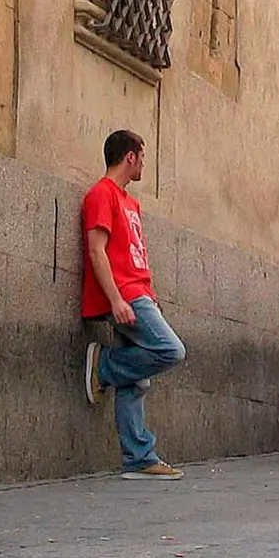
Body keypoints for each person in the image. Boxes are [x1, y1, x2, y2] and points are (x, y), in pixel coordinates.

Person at [81, 130, 188, 479]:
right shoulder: (101, 194)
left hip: (140, 291)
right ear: (130, 156)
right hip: (126, 295)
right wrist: (116, 299)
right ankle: (105, 366)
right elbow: (97, 249)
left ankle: (138, 459)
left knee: (137, 383)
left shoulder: (130, 202)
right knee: (171, 350)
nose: (144, 163)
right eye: (142, 156)